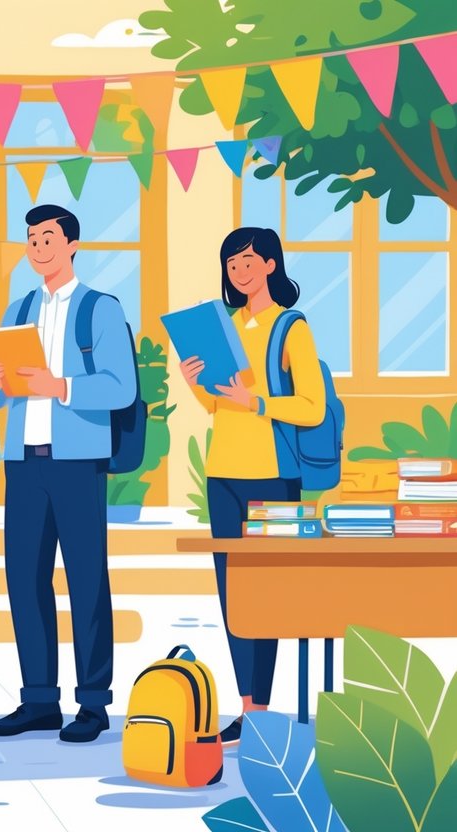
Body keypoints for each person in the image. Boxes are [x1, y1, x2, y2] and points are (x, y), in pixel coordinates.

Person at [0, 204, 136, 744]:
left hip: (77, 461)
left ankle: (93, 704)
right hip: (24, 460)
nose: (38, 246)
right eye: (31, 238)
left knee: (87, 581)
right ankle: (39, 700)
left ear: (72, 244)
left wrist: (61, 386)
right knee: (24, 580)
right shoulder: (18, 307)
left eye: (48, 237)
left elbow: (122, 388)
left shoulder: (100, 310)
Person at [179, 227, 325, 744]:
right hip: (224, 474)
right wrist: (195, 382)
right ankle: (247, 708)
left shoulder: (290, 328)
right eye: (230, 264)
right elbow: (219, 406)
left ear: (269, 264)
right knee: (233, 594)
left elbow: (314, 407)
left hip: (274, 476)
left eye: (246, 261)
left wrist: (258, 403)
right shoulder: (226, 326)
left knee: (268, 594)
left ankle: (261, 708)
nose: (237, 272)